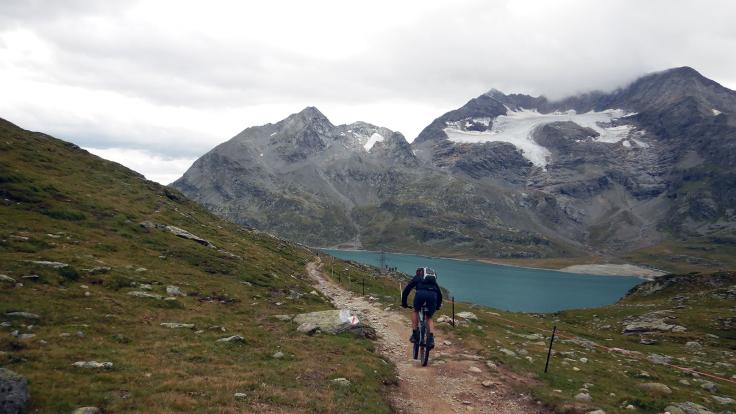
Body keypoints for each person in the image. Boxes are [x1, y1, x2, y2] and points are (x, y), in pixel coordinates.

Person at [401, 267, 443, 349]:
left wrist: (404, 303)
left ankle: (414, 334)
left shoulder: (417, 277)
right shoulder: (433, 281)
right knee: (429, 317)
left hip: (420, 294)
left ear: (419, 272)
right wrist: (437, 306)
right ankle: (431, 339)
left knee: (415, 310)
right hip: (433, 296)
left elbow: (407, 290)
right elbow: (440, 295)